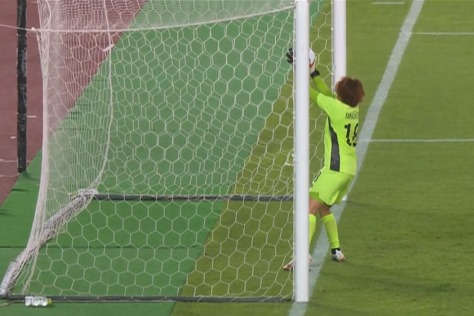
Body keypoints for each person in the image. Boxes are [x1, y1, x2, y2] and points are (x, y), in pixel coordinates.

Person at [283, 48, 365, 271]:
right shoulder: (351, 108)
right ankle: (336, 250)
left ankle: (303, 255)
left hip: (334, 170)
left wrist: (299, 70)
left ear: (340, 94)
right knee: (323, 208)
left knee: (308, 208)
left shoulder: (335, 108)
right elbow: (325, 94)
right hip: (348, 170)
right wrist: (313, 71)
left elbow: (309, 93)